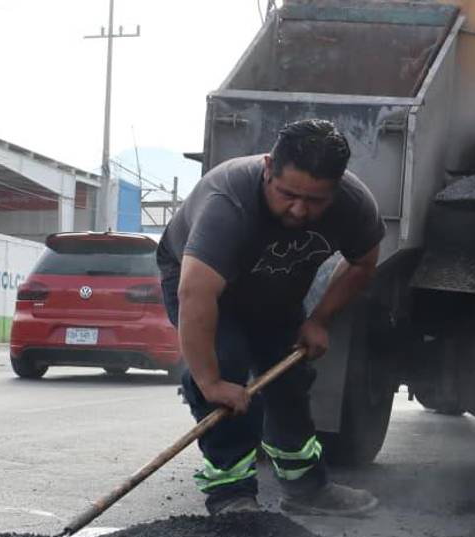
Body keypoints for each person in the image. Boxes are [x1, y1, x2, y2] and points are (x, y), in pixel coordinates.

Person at [157, 119, 384, 516]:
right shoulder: (228, 202)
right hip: (209, 290)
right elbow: (195, 294)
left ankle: (306, 489)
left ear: (336, 186)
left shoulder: (353, 204)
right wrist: (210, 382)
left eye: (315, 201)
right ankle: (231, 495)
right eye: (288, 194)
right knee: (224, 371)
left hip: (275, 292)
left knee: (289, 380)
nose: (299, 209)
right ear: (267, 168)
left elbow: (363, 263)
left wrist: (319, 319)